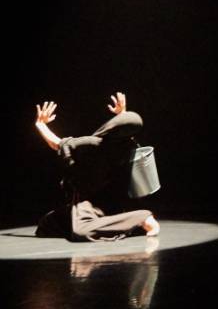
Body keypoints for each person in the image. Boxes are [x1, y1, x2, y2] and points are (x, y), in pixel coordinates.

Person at [34, 92, 160, 241]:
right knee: (47, 224)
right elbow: (125, 129)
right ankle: (123, 223)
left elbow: (57, 144)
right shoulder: (128, 146)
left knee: (81, 231)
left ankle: (142, 218)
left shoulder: (93, 144)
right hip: (105, 203)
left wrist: (40, 125)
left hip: (91, 201)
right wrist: (123, 114)